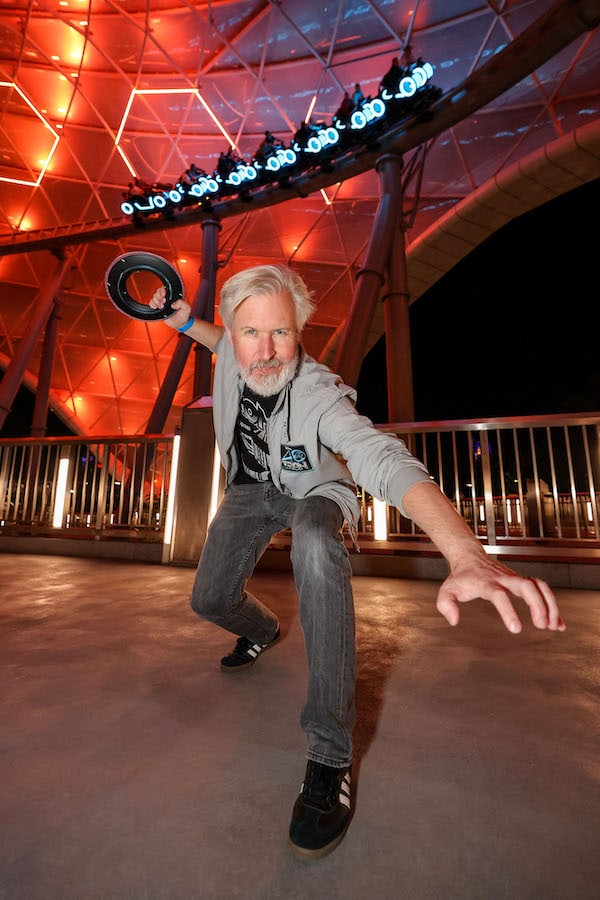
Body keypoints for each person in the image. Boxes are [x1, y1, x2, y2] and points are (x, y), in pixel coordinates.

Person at [148, 264, 565, 861]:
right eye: (250, 334)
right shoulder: (233, 354)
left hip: (314, 487)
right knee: (208, 600)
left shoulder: (316, 389)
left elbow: (380, 457)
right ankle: (263, 630)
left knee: (317, 542)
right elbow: (219, 341)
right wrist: (187, 322)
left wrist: (466, 553)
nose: (265, 353)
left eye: (282, 335)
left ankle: (328, 755)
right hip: (247, 490)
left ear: (299, 334)